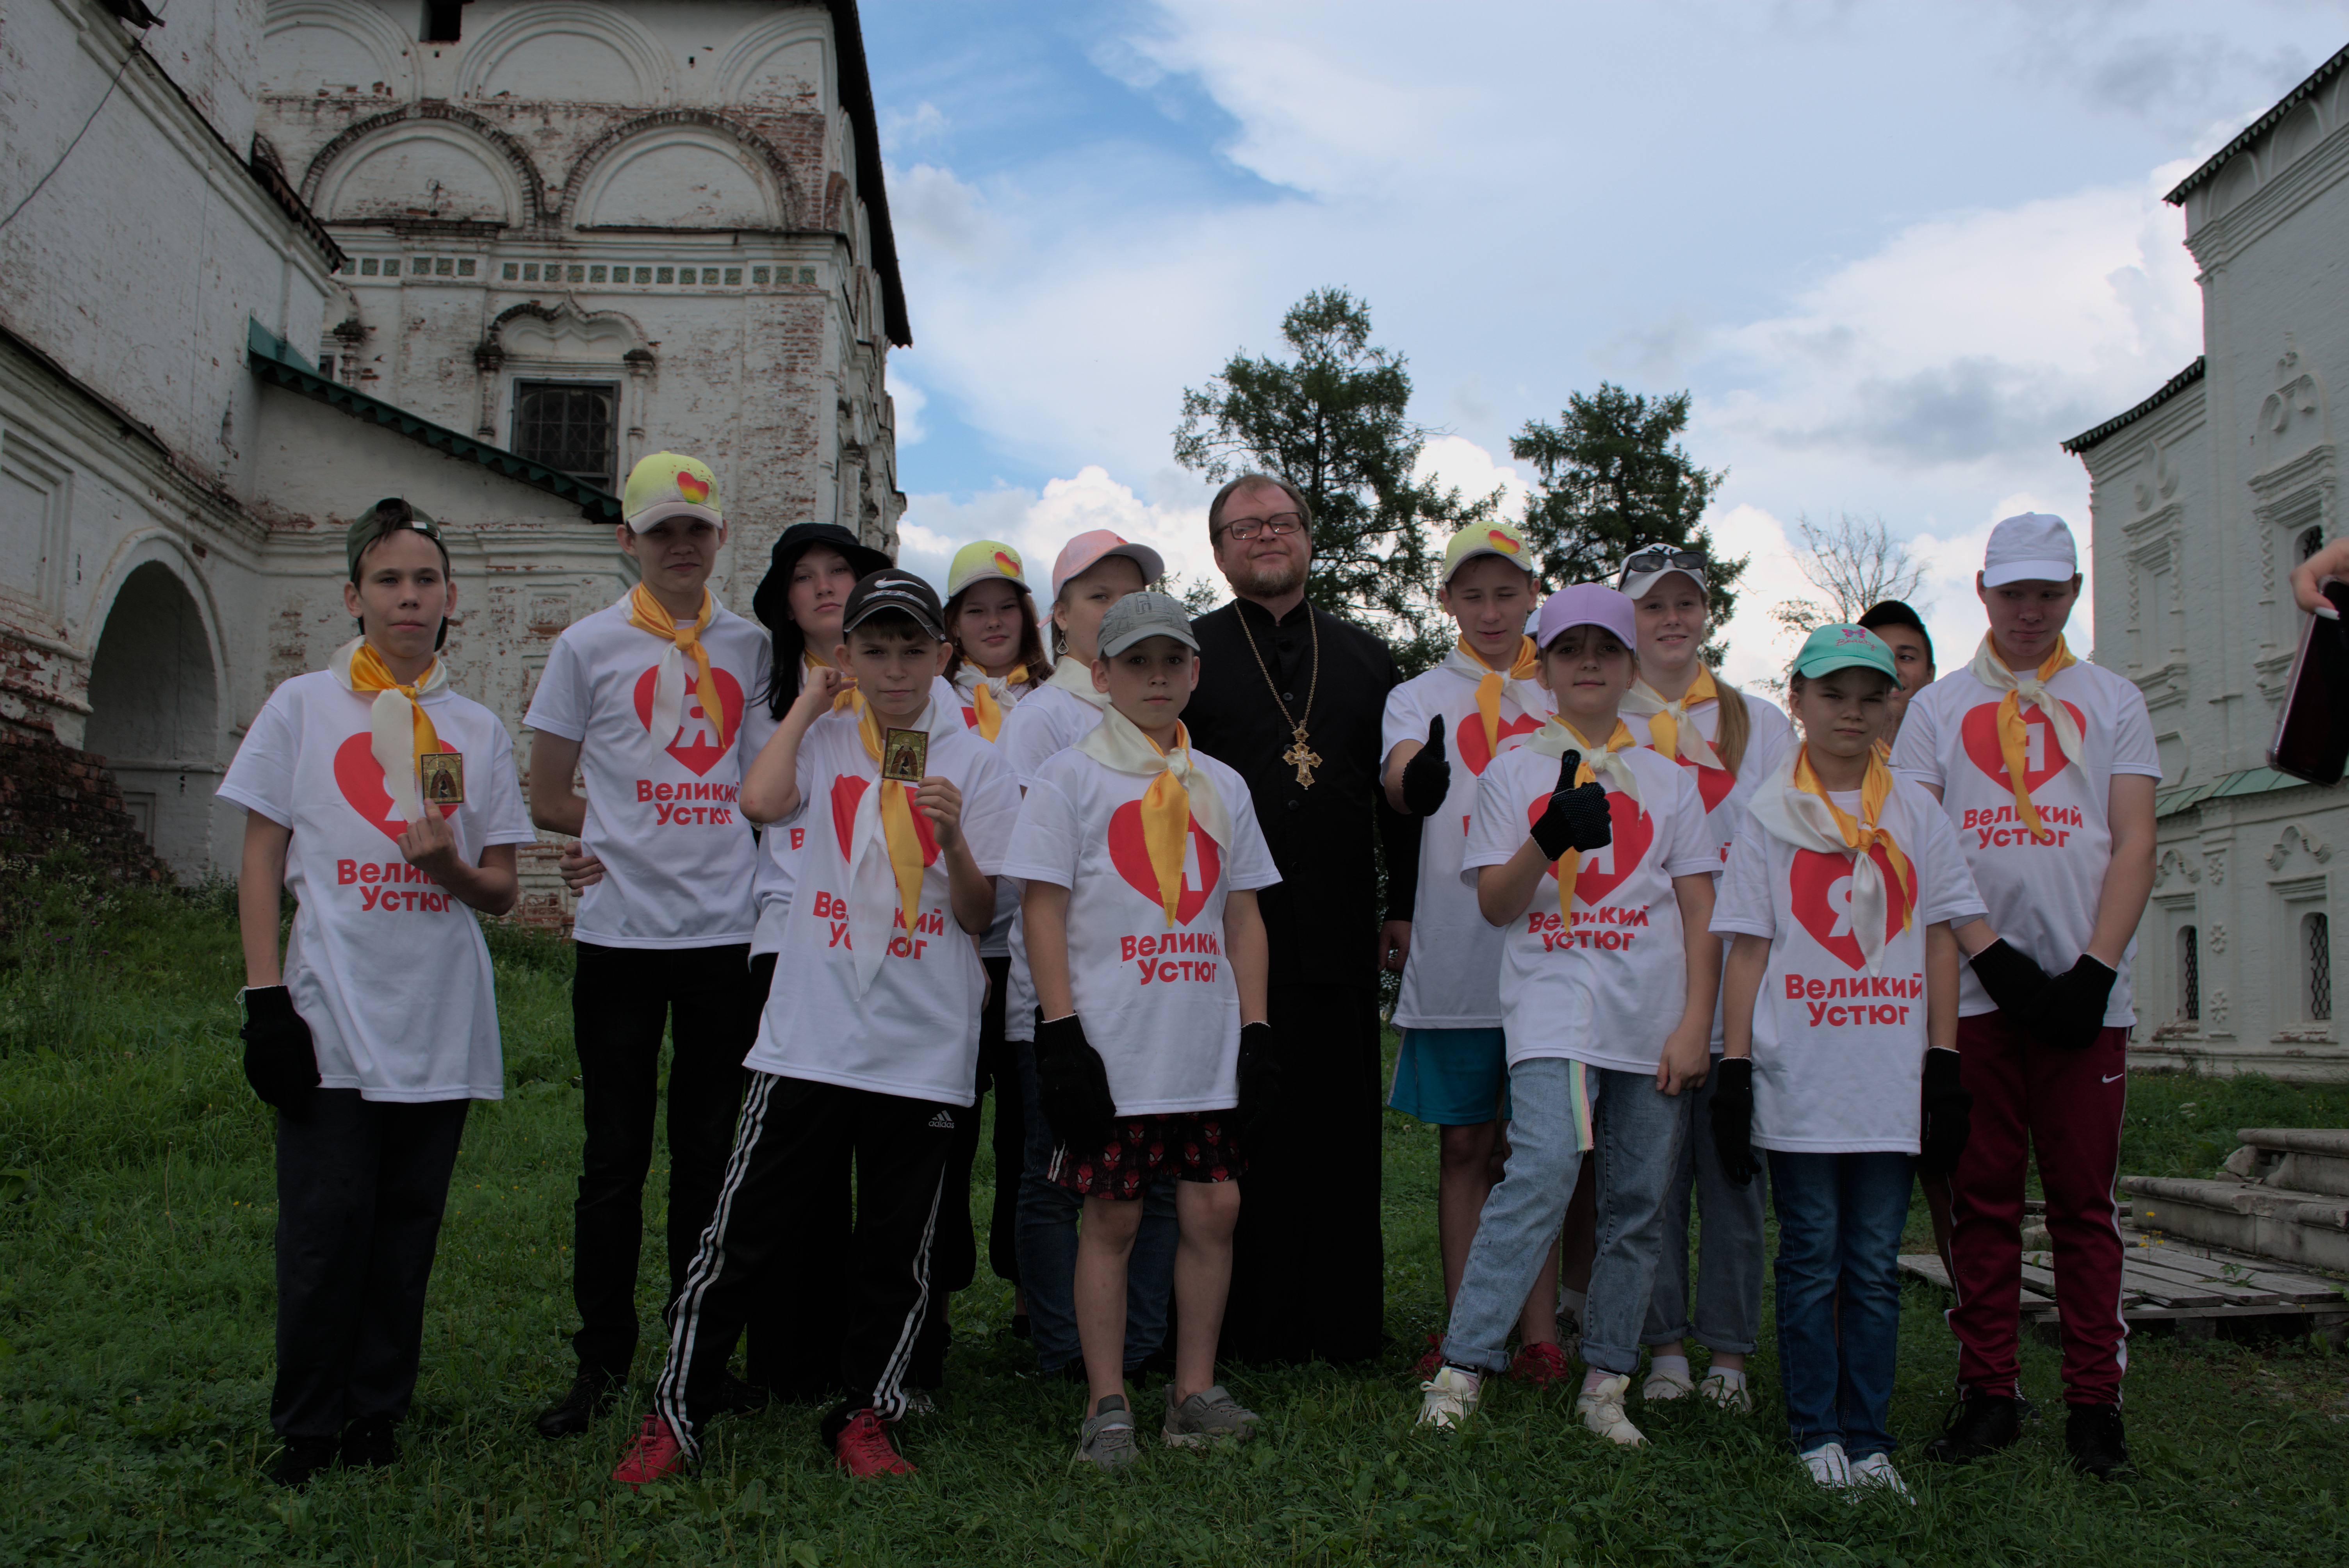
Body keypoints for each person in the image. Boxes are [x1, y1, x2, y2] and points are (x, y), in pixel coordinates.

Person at [620, 569, 1020, 1483]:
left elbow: (976, 915)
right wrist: (809, 704)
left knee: (897, 1249)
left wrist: (955, 838)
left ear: (941, 656)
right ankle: (674, 1406)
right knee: (740, 1228)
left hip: (921, 1043)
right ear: (845, 656)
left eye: (910, 648)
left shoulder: (980, 759)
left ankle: (866, 1409)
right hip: (810, 1029)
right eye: (871, 649)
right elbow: (759, 804)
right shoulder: (826, 736)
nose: (892, 667)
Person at [221, 499, 535, 1486]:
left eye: (427, 580)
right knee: (325, 1229)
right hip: (329, 1016)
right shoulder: (303, 708)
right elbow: (263, 857)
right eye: (390, 580)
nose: (410, 596)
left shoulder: (474, 729)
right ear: (354, 596)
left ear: (451, 603)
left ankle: (374, 1416)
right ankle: (308, 1424)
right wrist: (264, 996)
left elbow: (501, 889)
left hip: (437, 1019)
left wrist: (446, 868)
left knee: (405, 1230)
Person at [1889, 513, 2159, 1479]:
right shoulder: (1937, 707)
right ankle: (1988, 1390)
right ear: (1982, 590)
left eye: (2049, 592)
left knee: (2084, 1202)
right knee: (1980, 1196)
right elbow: (1922, 842)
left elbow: (2131, 837)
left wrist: (2093, 968)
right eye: (2014, 592)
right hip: (1976, 991)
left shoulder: (2112, 698)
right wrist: (1988, 955)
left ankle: (2095, 1402)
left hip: (2089, 996)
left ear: (2073, 593)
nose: (2030, 610)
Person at [1416, 584, 1716, 1442]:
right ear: (1540, 667)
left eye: (1606, 649)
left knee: (1636, 1200)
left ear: (1630, 667)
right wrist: (1546, 837)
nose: (1588, 663)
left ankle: (1607, 1381)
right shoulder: (1513, 770)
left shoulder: (1668, 779)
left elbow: (1697, 910)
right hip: (1552, 1009)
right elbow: (1496, 906)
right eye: (1569, 649)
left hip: (1650, 1019)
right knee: (1543, 1168)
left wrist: (1695, 1021)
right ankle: (1463, 1365)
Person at [523, 453, 773, 1437]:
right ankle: (599, 1358)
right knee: (614, 1159)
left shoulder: (752, 648)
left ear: (720, 539)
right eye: (660, 529)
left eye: (697, 529)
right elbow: (546, 794)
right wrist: (605, 839)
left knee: (709, 1156)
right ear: (626, 539)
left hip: (725, 934)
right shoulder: (586, 647)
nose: (681, 545)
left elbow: (771, 785)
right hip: (620, 937)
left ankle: (696, 1353)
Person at [1007, 590, 1281, 1468]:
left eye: (1172, 661)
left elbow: (1241, 917)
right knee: (1113, 1216)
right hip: (1113, 1045)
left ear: (1194, 672)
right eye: (1136, 663)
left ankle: (1191, 1390)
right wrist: (1059, 1033)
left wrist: (1257, 1027)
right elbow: (1041, 912)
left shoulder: (1223, 785)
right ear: (1102, 675)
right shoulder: (1071, 777)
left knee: (1214, 1207)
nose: (1156, 677)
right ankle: (1107, 1400)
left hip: (1199, 1043)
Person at [1710, 624, 1982, 1498]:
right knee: (1809, 1253)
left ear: (1890, 703)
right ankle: (1812, 1430)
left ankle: (1868, 1439)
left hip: (1887, 1077)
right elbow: (1747, 949)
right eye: (1833, 695)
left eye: (1871, 696)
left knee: (1870, 1261)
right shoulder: (1766, 816)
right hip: (1800, 1077)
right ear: (1797, 698)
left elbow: (1939, 939)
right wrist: (1735, 1067)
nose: (1852, 712)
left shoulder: (1914, 810)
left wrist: (1942, 1059)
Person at [1185, 472, 1420, 1367]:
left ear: (1309, 538)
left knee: (1339, 1130)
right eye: (1243, 527)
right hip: (1220, 931)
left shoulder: (1365, 657)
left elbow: (1398, 801)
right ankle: (1247, 1327)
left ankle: (1344, 1322)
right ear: (1219, 552)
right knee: (1246, 1127)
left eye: (1280, 521)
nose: (1265, 536)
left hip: (1336, 925)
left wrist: (1400, 900)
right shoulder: (1193, 653)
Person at [1380, 521, 1570, 1383]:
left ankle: (1539, 1335)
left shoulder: (1566, 685)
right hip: (1459, 952)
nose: (1490, 611)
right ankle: (1463, 1332)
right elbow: (1400, 773)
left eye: (1506, 592)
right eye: (1471, 593)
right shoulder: (1419, 691)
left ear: (1533, 593)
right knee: (1464, 1149)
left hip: (1554, 951)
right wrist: (1415, 782)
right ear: (1446, 600)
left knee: (1534, 1153)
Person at [997, 530, 1182, 1381]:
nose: (1113, 607)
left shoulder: (1159, 717)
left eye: (1131, 589)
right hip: (1065, 997)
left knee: (1152, 1179)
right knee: (1054, 1175)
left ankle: (1136, 1342)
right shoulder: (1040, 721)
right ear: (1060, 614)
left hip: (1151, 989)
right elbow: (1023, 867)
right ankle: (1063, 1345)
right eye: (1097, 594)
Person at [1615, 546, 1793, 1409]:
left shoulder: (1758, 723)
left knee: (1731, 1175)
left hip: (1741, 975)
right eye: (1653, 607)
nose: (1671, 619)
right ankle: (1664, 1348)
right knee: (1647, 1175)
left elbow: (1787, 846)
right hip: (1644, 973)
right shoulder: (1600, 720)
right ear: (1627, 620)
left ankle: (1728, 1353)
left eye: (1686, 602)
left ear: (1707, 612)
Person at [934, 539, 1053, 1351]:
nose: (991, 622)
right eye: (974, 609)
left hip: (1031, 942)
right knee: (945, 1120)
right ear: (952, 623)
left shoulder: (1057, 700)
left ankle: (1028, 1296)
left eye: (1005, 607)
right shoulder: (930, 703)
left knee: (1026, 1129)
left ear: (1029, 619)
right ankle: (933, 1292)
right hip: (948, 939)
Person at [1857, 600, 1936, 748]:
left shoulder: (1954, 756)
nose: (1892, 669)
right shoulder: (1807, 760)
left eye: (1906, 657)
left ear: (1930, 675)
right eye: (1877, 656)